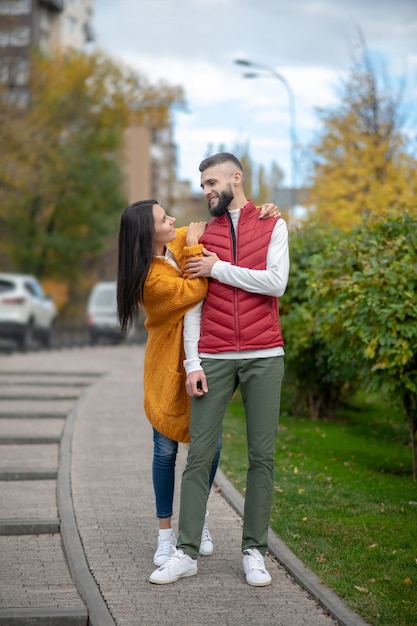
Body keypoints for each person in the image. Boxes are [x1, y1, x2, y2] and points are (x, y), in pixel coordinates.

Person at [149, 152, 289, 587]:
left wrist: (219, 268)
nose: (206, 191)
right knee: (200, 455)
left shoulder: (273, 224)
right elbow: (194, 303)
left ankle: (254, 551)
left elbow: (275, 282)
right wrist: (192, 362)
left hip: (265, 353)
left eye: (212, 182)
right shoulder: (201, 233)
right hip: (213, 354)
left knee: (261, 457)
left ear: (236, 178)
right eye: (203, 185)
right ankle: (186, 552)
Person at [117, 197, 280, 567]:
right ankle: (164, 535)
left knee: (209, 443)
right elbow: (198, 288)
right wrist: (194, 248)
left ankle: (198, 519)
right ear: (148, 232)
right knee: (165, 450)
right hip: (167, 368)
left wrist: (263, 213)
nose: (172, 220)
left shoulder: (171, 241)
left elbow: (216, 227)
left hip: (204, 358)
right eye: (163, 218)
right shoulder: (148, 279)